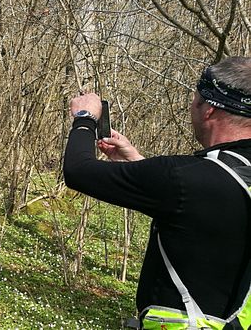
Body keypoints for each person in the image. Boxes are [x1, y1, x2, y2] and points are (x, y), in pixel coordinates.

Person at [63, 56, 251, 329]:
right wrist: (138, 163)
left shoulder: (182, 177)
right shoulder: (209, 178)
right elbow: (203, 208)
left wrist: (84, 118)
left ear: (209, 108)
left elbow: (78, 171)